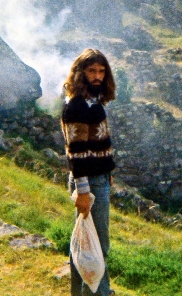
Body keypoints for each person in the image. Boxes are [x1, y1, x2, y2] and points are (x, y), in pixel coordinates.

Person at [61, 48, 116, 296]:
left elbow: (97, 143)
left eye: (101, 71)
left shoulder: (93, 101)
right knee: (96, 245)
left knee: (86, 243)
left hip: (98, 178)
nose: (97, 76)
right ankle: (99, 293)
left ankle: (83, 293)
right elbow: (77, 152)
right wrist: (83, 191)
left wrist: (107, 170)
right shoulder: (76, 106)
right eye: (92, 70)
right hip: (89, 183)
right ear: (81, 73)